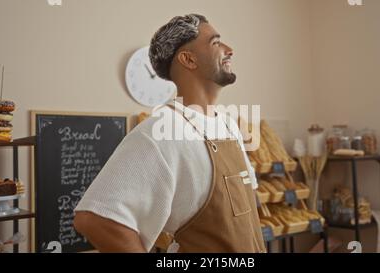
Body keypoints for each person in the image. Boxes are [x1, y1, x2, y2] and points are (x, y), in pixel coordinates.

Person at [74, 14, 265, 253]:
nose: (230, 50)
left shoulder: (228, 126)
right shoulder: (162, 131)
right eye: (216, 43)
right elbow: (93, 219)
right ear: (188, 59)